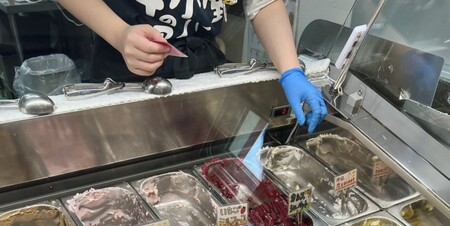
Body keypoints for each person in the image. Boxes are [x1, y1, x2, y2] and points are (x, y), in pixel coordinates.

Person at [58, 0, 327, 133]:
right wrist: (118, 33)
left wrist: (291, 71)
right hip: (126, 73)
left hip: (206, 72)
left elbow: (263, 3)